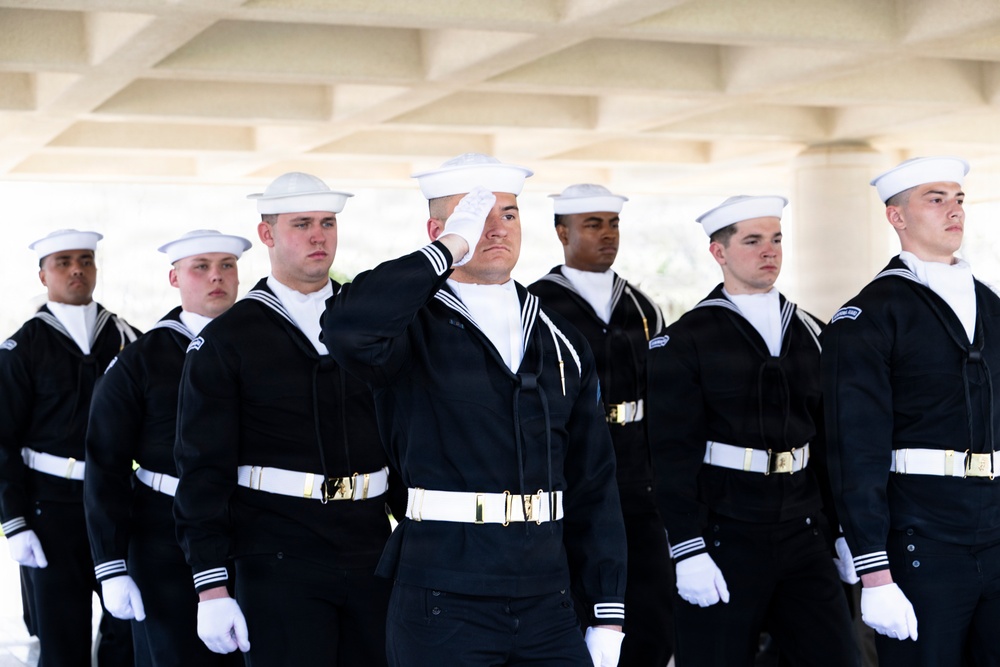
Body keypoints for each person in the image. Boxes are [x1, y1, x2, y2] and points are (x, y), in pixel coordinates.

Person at [321, 153, 628, 667]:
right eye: (475, 215)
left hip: (547, 599)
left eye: (507, 213)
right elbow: (346, 327)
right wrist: (447, 250)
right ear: (438, 229)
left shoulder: (561, 340)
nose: (496, 228)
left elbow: (593, 480)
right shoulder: (407, 328)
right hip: (442, 596)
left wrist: (607, 610)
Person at [173, 172, 403, 666]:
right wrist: (210, 583)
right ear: (268, 234)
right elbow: (202, 467)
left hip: (371, 548)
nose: (318, 235)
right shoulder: (227, 339)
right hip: (277, 554)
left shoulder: (367, 325)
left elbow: (401, 435)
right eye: (301, 224)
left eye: (327, 223)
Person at [646, 196, 858, 666]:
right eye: (753, 240)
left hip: (803, 532)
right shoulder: (685, 341)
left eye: (777, 239)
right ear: (718, 253)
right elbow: (669, 453)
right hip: (723, 536)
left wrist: (844, 533)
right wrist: (686, 548)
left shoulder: (813, 333)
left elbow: (829, 445)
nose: (770, 251)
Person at [822, 156, 1000, 666]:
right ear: (896, 218)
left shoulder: (991, 307)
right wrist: (874, 573)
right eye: (935, 199)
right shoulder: (870, 314)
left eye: (959, 199)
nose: (954, 211)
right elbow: (854, 447)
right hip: (923, 540)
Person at [84, 229, 251, 667]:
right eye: (202, 267)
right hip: (164, 538)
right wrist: (111, 565)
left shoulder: (261, 344)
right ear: (175, 278)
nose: (217, 277)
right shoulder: (140, 359)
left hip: (252, 532)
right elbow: (105, 463)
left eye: (227, 266)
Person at [528, 184, 673, 666]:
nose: (607, 235)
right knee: (578, 604)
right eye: (593, 225)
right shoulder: (535, 305)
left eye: (613, 224)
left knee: (650, 608)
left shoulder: (643, 307)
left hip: (639, 481)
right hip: (572, 480)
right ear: (561, 232)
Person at [0, 229, 139, 667]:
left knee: (131, 626)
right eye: (63, 261)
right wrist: (14, 521)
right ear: (43, 274)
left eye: (85, 259)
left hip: (116, 503)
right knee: (61, 638)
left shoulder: (127, 338)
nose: (77, 268)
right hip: (50, 507)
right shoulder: (22, 348)